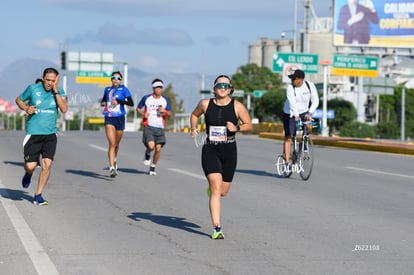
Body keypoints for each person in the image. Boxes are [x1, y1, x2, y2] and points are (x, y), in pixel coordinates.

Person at [190, 75, 252, 239]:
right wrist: (194, 128)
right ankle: (217, 228)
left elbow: (249, 124)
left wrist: (236, 127)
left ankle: (213, 190)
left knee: (223, 191)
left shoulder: (237, 106)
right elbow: (194, 115)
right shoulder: (205, 104)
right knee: (216, 188)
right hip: (211, 148)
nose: (222, 87)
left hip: (230, 150)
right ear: (214, 88)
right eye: (219, 85)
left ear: (230, 89)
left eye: (226, 85)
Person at [15, 67, 68, 205]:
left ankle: (38, 195)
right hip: (33, 133)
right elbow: (19, 100)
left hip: (50, 134)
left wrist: (56, 91)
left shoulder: (59, 92)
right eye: (47, 80)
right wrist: (26, 108)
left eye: (53, 80)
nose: (49, 83)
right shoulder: (33, 89)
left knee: (47, 165)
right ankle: (28, 174)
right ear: (43, 78)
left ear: (56, 80)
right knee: (31, 166)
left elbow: (64, 109)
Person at [100, 71, 134, 178]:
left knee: (116, 145)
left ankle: (114, 159)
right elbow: (103, 101)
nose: (116, 80)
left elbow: (131, 103)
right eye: (114, 78)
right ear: (111, 79)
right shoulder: (107, 90)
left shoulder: (124, 90)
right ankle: (111, 168)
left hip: (120, 118)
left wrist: (119, 101)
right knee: (112, 143)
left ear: (121, 80)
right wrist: (103, 103)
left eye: (118, 78)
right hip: (109, 117)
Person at [282, 69, 319, 165]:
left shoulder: (309, 86)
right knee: (289, 137)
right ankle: (287, 162)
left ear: (300, 79)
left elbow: (315, 101)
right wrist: (296, 115)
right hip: (290, 113)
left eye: (293, 79)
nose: (292, 81)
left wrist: (310, 113)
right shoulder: (290, 87)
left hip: (304, 112)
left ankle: (303, 141)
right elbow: (292, 102)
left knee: (309, 126)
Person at [136, 78, 171, 176]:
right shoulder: (146, 98)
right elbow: (138, 108)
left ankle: (153, 167)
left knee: (158, 149)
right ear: (153, 88)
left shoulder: (165, 100)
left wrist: (165, 111)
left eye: (160, 87)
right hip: (149, 126)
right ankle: (147, 153)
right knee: (151, 146)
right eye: (156, 87)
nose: (158, 89)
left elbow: (170, 114)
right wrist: (143, 114)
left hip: (160, 127)